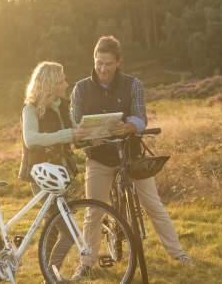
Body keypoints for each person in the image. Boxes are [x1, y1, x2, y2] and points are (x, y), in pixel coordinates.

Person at [69, 36, 193, 280]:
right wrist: (85, 136)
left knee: (153, 205)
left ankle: (178, 254)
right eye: (98, 63)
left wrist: (130, 127)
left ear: (118, 62)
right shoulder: (81, 88)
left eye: (108, 64)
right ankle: (86, 262)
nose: (102, 69)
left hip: (130, 155)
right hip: (98, 158)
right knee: (94, 211)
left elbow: (140, 116)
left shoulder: (133, 84)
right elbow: (74, 123)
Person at [18, 61, 89, 275]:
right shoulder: (30, 109)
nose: (66, 84)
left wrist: (90, 134)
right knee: (67, 232)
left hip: (62, 173)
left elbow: (74, 133)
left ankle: (47, 274)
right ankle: (51, 274)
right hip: (41, 176)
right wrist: (68, 135)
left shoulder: (63, 105)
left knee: (53, 223)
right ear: (50, 84)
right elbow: (31, 140)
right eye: (61, 80)